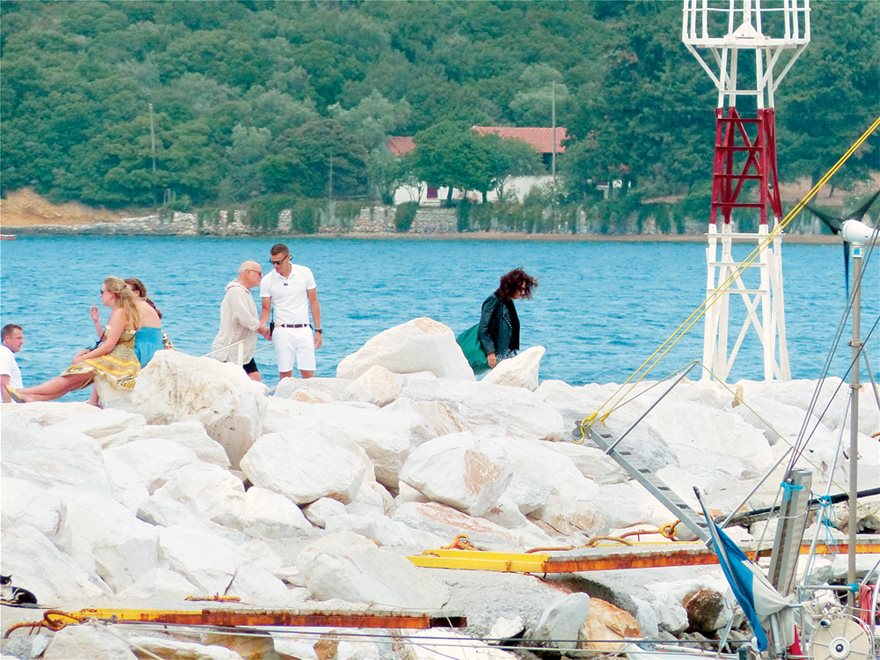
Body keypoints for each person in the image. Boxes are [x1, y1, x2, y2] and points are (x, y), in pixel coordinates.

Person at [6, 277, 143, 405]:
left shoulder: (120, 313)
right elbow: (108, 339)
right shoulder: (117, 312)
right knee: (73, 383)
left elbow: (108, 346)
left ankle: (24, 391)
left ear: (112, 293)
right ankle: (32, 398)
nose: (100, 295)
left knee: (70, 378)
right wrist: (96, 322)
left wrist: (83, 358)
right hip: (115, 356)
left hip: (119, 360)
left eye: (102, 291)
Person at [260, 243, 322, 379]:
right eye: (273, 262)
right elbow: (265, 309)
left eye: (279, 262)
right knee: (285, 375)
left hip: (304, 328)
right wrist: (262, 327)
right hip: (282, 330)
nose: (275, 266)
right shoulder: (267, 280)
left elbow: (314, 301)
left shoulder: (305, 272)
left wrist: (318, 330)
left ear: (288, 258)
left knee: (308, 373)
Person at [212, 260, 269, 381]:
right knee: (241, 381)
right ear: (248, 273)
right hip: (230, 350)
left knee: (255, 378)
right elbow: (245, 319)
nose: (261, 276)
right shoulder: (236, 291)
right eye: (259, 273)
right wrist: (263, 329)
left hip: (243, 351)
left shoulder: (244, 292)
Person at [90, 277, 165, 367]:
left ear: (136, 293)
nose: (123, 294)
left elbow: (110, 343)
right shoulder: (125, 309)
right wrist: (96, 321)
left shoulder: (137, 307)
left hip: (144, 351)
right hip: (137, 348)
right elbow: (106, 340)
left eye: (126, 291)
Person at [478, 268, 538, 369]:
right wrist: (490, 352)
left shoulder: (507, 301)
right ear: (512, 286)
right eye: (521, 289)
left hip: (508, 352)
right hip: (499, 353)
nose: (523, 292)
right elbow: (483, 328)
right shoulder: (494, 300)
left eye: (524, 289)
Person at [0, 324, 24, 403]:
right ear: (7, 339)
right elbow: (3, 385)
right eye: (18, 338)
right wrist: (8, 408)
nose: (22, 342)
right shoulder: (4, 355)